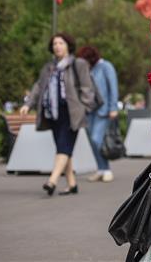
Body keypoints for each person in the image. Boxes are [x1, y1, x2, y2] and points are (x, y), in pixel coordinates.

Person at [20, 33, 100, 196]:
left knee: (63, 147)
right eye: (55, 43)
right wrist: (28, 104)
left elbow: (87, 87)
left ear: (68, 46)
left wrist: (84, 107)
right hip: (53, 113)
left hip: (72, 112)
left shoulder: (79, 64)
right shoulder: (49, 67)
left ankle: (52, 181)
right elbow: (38, 87)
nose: (57, 46)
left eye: (61, 43)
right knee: (64, 148)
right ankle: (72, 184)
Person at [77, 46, 119, 182]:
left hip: (104, 111)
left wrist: (113, 107)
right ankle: (100, 169)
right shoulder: (88, 69)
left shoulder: (106, 66)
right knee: (93, 142)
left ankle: (106, 169)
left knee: (97, 140)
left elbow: (113, 87)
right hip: (90, 111)